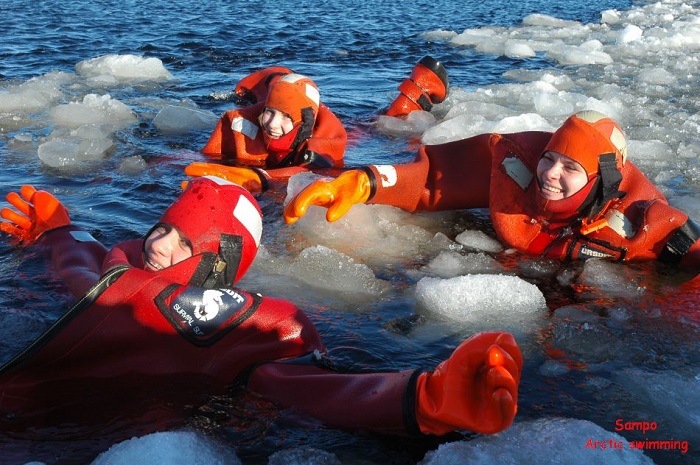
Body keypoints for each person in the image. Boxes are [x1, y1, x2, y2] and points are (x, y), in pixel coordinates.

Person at [0, 177, 521, 438]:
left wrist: (419, 399)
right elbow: (81, 266)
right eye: (163, 228)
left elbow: (311, 386)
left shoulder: (232, 324)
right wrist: (58, 230)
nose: (160, 246)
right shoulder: (120, 263)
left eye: (185, 244)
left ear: (216, 268)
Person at [283, 110, 700, 271]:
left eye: (571, 168)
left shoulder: (644, 223)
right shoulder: (516, 163)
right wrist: (367, 181)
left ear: (603, 181)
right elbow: (433, 180)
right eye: (551, 158)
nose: (550, 173)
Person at [185, 57, 449, 193]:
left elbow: (312, 173)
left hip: (325, 136)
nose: (271, 125)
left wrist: (262, 179)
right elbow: (204, 157)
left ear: (303, 122)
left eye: (284, 117)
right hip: (283, 99)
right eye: (269, 113)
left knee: (366, 129)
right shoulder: (241, 121)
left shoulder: (325, 139)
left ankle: (410, 98)